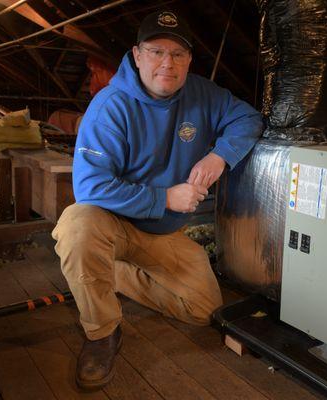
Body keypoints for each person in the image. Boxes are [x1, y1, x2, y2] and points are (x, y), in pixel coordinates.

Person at [52, 10, 262, 391]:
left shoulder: (203, 93)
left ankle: (112, 274)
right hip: (113, 225)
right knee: (76, 224)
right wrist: (165, 197)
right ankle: (101, 333)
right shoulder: (109, 106)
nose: (167, 63)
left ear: (189, 60)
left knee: (203, 311)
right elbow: (91, 188)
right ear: (137, 54)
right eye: (156, 51)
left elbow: (248, 118)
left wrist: (220, 155)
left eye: (178, 54)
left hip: (163, 234)